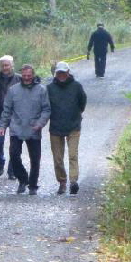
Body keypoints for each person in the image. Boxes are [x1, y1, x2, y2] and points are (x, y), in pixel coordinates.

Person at [0, 65, 50, 195]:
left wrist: (40, 123)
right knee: (14, 155)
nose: (27, 78)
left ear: (33, 75)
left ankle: (33, 185)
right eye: (24, 75)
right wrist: (2, 126)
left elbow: (46, 109)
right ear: (21, 75)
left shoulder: (41, 90)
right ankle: (23, 179)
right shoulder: (13, 90)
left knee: (35, 159)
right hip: (17, 128)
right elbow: (7, 110)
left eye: (29, 75)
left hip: (34, 128)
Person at [47, 61, 87, 195]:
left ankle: (73, 182)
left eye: (64, 72)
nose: (61, 75)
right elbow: (46, 106)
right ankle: (62, 182)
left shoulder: (77, 86)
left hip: (73, 126)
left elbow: (82, 102)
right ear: (55, 74)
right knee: (58, 159)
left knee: (73, 155)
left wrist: (77, 114)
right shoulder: (50, 88)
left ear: (68, 73)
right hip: (56, 126)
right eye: (59, 73)